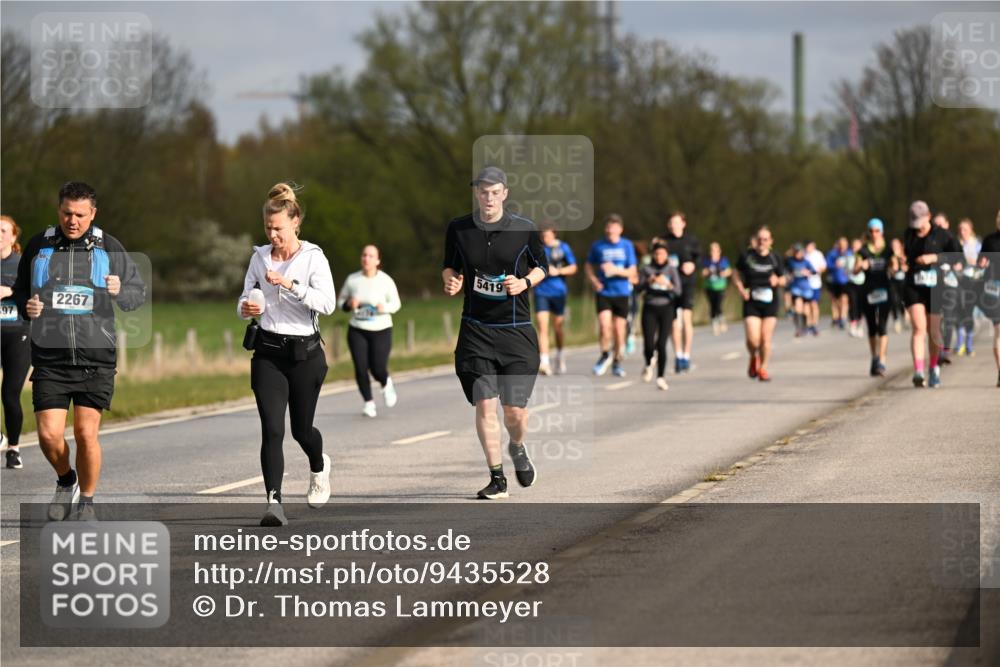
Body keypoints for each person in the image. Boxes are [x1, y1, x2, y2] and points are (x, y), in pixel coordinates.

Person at [12, 182, 146, 521]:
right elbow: (20, 293)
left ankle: (86, 502)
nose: (73, 221)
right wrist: (27, 307)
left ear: (93, 214)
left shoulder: (108, 247)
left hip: (95, 358)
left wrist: (120, 290)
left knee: (86, 434)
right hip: (50, 358)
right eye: (67, 213)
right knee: (48, 436)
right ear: (59, 210)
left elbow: (136, 294)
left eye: (80, 215)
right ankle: (65, 480)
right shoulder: (39, 246)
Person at [442, 166, 546, 500]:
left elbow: (543, 267)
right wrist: (451, 279)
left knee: (514, 413)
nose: (488, 197)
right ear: (476, 193)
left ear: (505, 193)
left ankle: (516, 445)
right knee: (485, 405)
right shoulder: (459, 228)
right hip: (476, 331)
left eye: (494, 191)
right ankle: (497, 478)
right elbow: (450, 265)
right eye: (482, 191)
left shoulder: (525, 228)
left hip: (516, 333)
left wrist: (525, 282)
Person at [238, 182, 336, 526]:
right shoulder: (259, 257)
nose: (272, 234)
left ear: (295, 222)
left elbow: (327, 303)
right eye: (268, 228)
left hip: (305, 355)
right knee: (272, 428)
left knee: (301, 430)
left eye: (278, 228)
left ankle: (319, 464)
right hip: (267, 353)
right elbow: (245, 297)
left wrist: (288, 284)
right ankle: (274, 503)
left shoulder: (313, 258)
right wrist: (247, 308)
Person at [903, 200, 962, 388]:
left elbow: (958, 257)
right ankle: (918, 371)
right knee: (918, 328)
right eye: (914, 223)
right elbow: (907, 258)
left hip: (936, 286)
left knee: (933, 331)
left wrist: (935, 257)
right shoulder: (909, 235)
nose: (917, 227)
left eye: (920, 222)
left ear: (928, 216)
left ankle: (934, 368)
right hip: (914, 285)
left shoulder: (943, 236)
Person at [337, 244, 401, 417]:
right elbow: (340, 301)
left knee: (378, 368)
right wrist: (349, 304)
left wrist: (384, 307)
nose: (366, 258)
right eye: (364, 255)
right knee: (360, 367)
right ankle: (368, 403)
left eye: (371, 256)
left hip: (381, 329)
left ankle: (386, 382)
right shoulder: (353, 280)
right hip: (357, 329)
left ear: (378, 260)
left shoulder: (385, 281)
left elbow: (396, 304)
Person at [585, 214, 637, 378]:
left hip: (621, 292)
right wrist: (593, 280)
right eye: (608, 227)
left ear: (620, 229)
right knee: (604, 325)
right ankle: (604, 354)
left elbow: (632, 271)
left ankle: (617, 362)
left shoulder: (627, 245)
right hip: (604, 292)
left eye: (614, 228)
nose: (610, 231)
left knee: (619, 330)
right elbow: (588, 265)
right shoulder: (598, 245)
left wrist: (616, 271)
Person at [734, 226, 786, 382]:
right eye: (759, 239)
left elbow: (784, 279)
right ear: (755, 240)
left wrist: (777, 281)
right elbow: (735, 273)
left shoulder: (775, 258)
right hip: (751, 301)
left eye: (765, 239)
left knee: (765, 338)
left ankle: (763, 368)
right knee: (753, 340)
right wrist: (741, 289)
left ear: (770, 241)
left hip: (770, 302)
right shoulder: (747, 256)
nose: (762, 242)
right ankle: (753, 356)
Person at [1, 216, 31, 469]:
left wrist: (9, 292)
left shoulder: (22, 265)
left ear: (13, 237)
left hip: (18, 334)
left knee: (10, 394)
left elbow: (36, 294)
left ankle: (13, 448)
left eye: (3, 231)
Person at [534, 223, 577, 375]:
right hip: (541, 292)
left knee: (558, 327)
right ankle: (544, 361)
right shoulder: (537, 248)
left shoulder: (563, 248)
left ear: (554, 234)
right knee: (542, 326)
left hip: (559, 292)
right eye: (543, 235)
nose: (545, 238)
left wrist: (557, 271)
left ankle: (559, 354)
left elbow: (573, 267)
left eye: (547, 235)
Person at [638, 241, 682, 390]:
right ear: (653, 255)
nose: (659, 257)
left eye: (662, 254)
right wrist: (648, 282)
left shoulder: (671, 269)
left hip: (666, 308)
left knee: (661, 344)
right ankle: (649, 362)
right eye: (656, 254)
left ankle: (661, 377)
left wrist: (667, 284)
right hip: (650, 308)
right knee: (649, 343)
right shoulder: (646, 269)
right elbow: (637, 288)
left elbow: (678, 291)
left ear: (667, 255)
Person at [855, 219, 895, 376]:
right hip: (869, 291)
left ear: (882, 232)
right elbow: (854, 270)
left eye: (877, 231)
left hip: (885, 290)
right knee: (872, 326)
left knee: (882, 326)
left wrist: (894, 265)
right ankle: (874, 357)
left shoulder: (888, 249)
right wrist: (860, 266)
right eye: (871, 231)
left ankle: (882, 361)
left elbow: (894, 267)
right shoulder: (863, 250)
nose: (874, 234)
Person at [665, 212, 701, 372]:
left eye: (677, 222)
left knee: (686, 318)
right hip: (670, 286)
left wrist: (692, 265)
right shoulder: (663, 241)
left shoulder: (691, 241)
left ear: (683, 224)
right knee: (673, 322)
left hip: (687, 284)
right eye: (671, 223)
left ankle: (686, 355)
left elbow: (699, 258)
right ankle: (678, 356)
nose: (674, 225)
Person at [977, 209, 1000, 387]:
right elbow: (981, 261)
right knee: (999, 329)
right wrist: (982, 263)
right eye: (998, 217)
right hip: (994, 289)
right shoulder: (989, 240)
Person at [954, 218, 981, 357]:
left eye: (965, 229)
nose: (962, 232)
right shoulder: (956, 244)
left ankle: (969, 344)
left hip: (972, 282)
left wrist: (973, 261)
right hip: (957, 282)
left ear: (970, 230)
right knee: (958, 312)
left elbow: (984, 262)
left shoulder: (976, 244)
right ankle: (959, 343)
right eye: (960, 229)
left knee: (968, 313)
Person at [786, 243, 816, 337]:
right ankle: (798, 328)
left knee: (806, 310)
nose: (798, 254)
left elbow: (814, 271)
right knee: (798, 308)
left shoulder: (806, 262)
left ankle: (806, 326)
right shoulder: (790, 261)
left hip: (806, 288)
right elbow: (785, 270)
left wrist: (808, 272)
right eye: (796, 252)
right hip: (796, 287)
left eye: (800, 252)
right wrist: (789, 276)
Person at [702, 242, 732, 335]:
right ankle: (714, 324)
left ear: (719, 251)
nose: (713, 252)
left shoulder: (723, 260)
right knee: (712, 306)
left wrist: (723, 273)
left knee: (718, 305)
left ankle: (722, 320)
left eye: (715, 250)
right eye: (711, 250)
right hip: (709, 287)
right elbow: (702, 273)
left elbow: (729, 271)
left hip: (720, 287)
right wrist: (707, 272)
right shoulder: (707, 261)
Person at [825, 237, 852, 329]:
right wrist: (834, 265)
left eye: (844, 244)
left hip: (846, 280)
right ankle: (837, 316)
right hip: (834, 280)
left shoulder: (849, 253)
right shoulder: (832, 253)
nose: (842, 246)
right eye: (840, 244)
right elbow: (827, 265)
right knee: (836, 301)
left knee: (844, 299)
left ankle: (843, 318)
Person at [804, 240, 827, 336]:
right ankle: (808, 325)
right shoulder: (804, 255)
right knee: (806, 306)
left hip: (815, 284)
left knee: (814, 304)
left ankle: (814, 324)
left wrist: (817, 271)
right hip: (805, 284)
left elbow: (824, 267)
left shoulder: (818, 254)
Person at [845, 238, 866, 338]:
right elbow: (847, 270)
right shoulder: (849, 257)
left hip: (863, 283)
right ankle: (853, 324)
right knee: (853, 303)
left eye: (857, 246)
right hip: (852, 283)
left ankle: (860, 325)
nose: (855, 248)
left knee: (861, 304)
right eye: (853, 246)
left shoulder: (865, 257)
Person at [890, 237, 909, 334]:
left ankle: (904, 315)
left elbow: (906, 267)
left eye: (896, 245)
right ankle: (896, 320)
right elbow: (891, 270)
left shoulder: (904, 254)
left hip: (904, 281)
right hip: (893, 281)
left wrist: (901, 260)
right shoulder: (890, 256)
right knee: (894, 300)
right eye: (892, 245)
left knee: (903, 300)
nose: (894, 247)